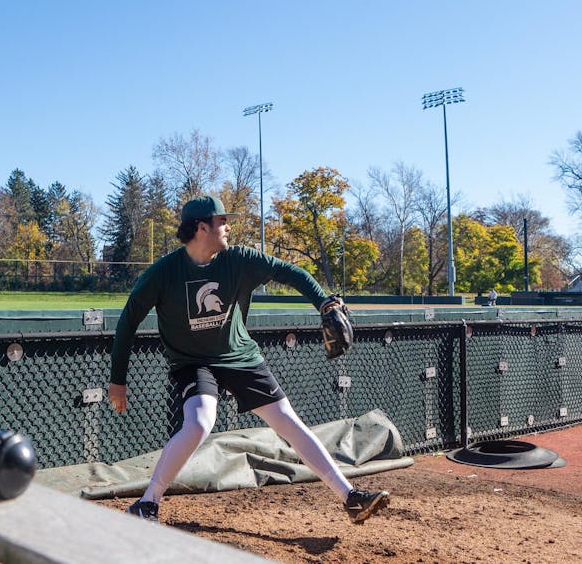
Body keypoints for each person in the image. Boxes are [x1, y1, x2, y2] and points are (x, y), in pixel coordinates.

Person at [108, 196, 390, 524]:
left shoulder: (239, 259)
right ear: (202, 227)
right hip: (193, 362)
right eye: (221, 221)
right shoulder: (163, 273)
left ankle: (350, 497)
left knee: (287, 420)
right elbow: (128, 320)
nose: (228, 226)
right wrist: (118, 381)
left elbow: (291, 273)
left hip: (239, 355)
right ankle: (148, 503)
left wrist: (323, 303)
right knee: (199, 422)